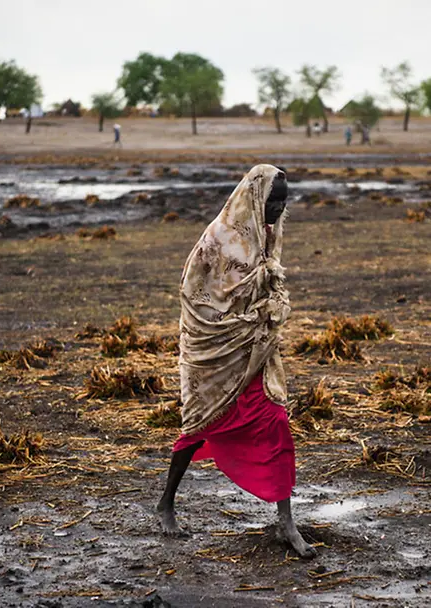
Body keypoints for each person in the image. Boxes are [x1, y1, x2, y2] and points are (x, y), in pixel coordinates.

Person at [157, 164, 315, 558]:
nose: (278, 209)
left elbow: (264, 283)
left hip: (253, 352)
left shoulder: (265, 234)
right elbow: (192, 291)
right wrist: (235, 320)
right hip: (213, 353)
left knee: (276, 422)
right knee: (196, 430)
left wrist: (265, 312)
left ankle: (286, 523)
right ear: (254, 197)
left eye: (283, 201)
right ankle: (166, 503)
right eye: (272, 201)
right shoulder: (219, 237)